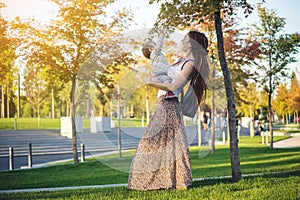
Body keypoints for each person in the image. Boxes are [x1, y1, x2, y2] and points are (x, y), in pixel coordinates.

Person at [128, 30, 210, 190]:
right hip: (164, 103)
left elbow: (173, 86)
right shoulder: (181, 60)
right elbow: (162, 69)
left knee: (151, 143)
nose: (182, 40)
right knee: (167, 145)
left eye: (185, 38)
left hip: (169, 103)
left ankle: (166, 182)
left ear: (192, 43)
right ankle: (172, 182)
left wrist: (148, 82)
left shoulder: (190, 63)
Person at [142, 32, 177, 98]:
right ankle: (170, 93)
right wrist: (162, 34)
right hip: (162, 73)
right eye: (154, 45)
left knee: (164, 83)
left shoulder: (155, 57)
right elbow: (159, 45)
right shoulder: (155, 53)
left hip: (158, 75)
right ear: (151, 49)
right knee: (168, 81)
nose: (156, 46)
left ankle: (162, 94)